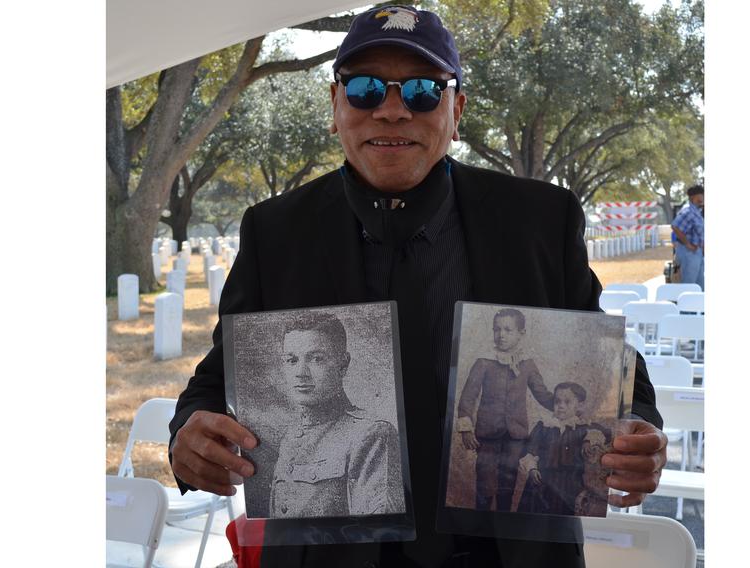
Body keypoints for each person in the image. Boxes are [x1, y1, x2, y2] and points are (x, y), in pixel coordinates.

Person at [169, 5, 667, 567]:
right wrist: (190, 430)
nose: (392, 110)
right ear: (335, 107)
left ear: (456, 110)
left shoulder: (539, 220)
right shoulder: (276, 231)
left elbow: (605, 360)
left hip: (508, 551)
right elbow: (219, 378)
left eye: (423, 91)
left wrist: (639, 425)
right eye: (364, 89)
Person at [269, 311, 405, 518]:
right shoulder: (290, 437)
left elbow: (379, 530)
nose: (301, 372)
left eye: (316, 359)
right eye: (292, 360)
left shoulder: (371, 434)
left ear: (343, 364)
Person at [456, 308, 554, 512]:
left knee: (508, 484)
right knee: (484, 481)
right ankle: (480, 525)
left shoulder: (527, 365)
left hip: (516, 435)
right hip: (488, 434)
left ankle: (502, 525)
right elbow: (468, 396)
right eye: (497, 329)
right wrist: (466, 427)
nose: (501, 335)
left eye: (508, 330)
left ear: (521, 333)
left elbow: (542, 394)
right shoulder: (483, 362)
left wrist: (565, 404)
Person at [516, 382, 610, 517]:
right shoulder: (544, 426)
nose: (561, 406)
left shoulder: (583, 428)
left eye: (567, 402)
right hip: (542, 482)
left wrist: (589, 439)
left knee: (562, 521)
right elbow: (529, 450)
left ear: (580, 405)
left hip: (569, 484)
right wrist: (532, 468)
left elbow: (606, 434)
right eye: (557, 401)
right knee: (534, 518)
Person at [671, 184, 705, 290]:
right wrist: (687, 244)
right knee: (688, 286)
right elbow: (675, 226)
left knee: (700, 286)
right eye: (700, 195)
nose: (703, 197)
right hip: (688, 253)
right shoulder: (688, 211)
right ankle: (685, 307)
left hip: (697, 253)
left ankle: (699, 306)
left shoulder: (697, 212)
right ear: (692, 198)